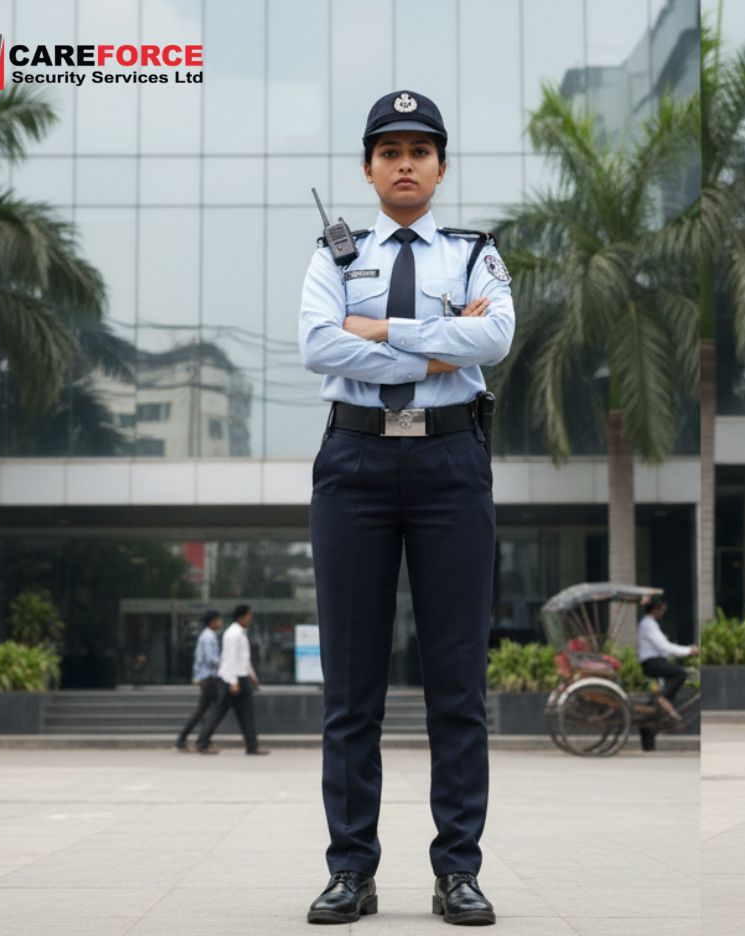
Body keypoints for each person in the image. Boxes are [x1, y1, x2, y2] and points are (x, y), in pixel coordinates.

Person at [300, 88, 512, 927]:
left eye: (420, 150)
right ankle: (351, 871)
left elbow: (493, 339)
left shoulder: (473, 256)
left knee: (456, 684)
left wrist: (381, 333)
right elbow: (317, 343)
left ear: (441, 166)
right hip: (352, 462)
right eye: (389, 151)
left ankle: (458, 870)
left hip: (451, 461)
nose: (405, 163)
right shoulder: (333, 254)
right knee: (351, 691)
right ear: (368, 167)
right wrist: (436, 340)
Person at [198, 604, 267, 757]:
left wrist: (251, 675)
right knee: (219, 712)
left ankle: (252, 746)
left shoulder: (241, 633)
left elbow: (243, 658)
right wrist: (233, 681)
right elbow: (229, 659)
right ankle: (202, 742)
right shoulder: (232, 634)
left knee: (246, 713)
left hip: (240, 677)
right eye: (248, 615)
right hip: (231, 679)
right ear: (241, 617)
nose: (250, 618)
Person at [638, 599, 698, 720]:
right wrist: (689, 651)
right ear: (656, 609)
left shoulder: (651, 624)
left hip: (656, 661)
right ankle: (663, 700)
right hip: (652, 663)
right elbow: (665, 647)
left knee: (676, 672)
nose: (663, 613)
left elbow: (664, 648)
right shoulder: (648, 624)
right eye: (662, 610)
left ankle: (659, 703)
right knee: (680, 673)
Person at [175, 609, 225, 752]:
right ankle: (202, 742)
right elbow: (210, 659)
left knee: (204, 711)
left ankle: (191, 740)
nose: (220, 623)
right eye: (219, 620)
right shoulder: (209, 637)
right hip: (209, 678)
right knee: (212, 710)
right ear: (212, 621)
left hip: (207, 677)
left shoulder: (207, 635)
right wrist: (225, 662)